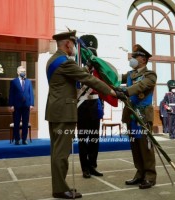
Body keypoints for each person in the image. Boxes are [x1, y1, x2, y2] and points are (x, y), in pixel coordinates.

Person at [45, 30, 123, 199]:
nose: (74, 47)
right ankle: (60, 189)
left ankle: (59, 186)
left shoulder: (52, 60)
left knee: (56, 152)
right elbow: (90, 80)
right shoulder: (65, 62)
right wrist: (113, 92)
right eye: (73, 44)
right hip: (64, 113)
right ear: (68, 44)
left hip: (54, 111)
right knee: (62, 153)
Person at [116, 44, 157, 189]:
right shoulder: (130, 74)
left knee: (145, 146)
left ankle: (150, 176)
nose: (132, 58)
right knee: (135, 146)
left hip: (143, 116)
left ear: (144, 59)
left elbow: (140, 87)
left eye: (135, 56)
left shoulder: (150, 75)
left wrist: (125, 91)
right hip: (131, 115)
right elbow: (114, 77)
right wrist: (99, 66)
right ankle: (140, 174)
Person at [77, 34, 104, 179]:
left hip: (95, 105)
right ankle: (84, 167)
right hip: (82, 106)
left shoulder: (98, 67)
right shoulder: (78, 65)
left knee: (94, 138)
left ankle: (92, 165)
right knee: (83, 139)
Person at [9, 66, 34, 145]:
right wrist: (11, 105)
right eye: (22, 71)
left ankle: (24, 139)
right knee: (16, 123)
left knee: (25, 123)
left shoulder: (28, 81)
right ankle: (17, 139)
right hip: (17, 106)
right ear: (18, 72)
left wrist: (31, 104)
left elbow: (31, 94)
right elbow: (11, 94)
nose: (23, 72)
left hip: (26, 106)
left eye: (24, 71)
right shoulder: (13, 82)